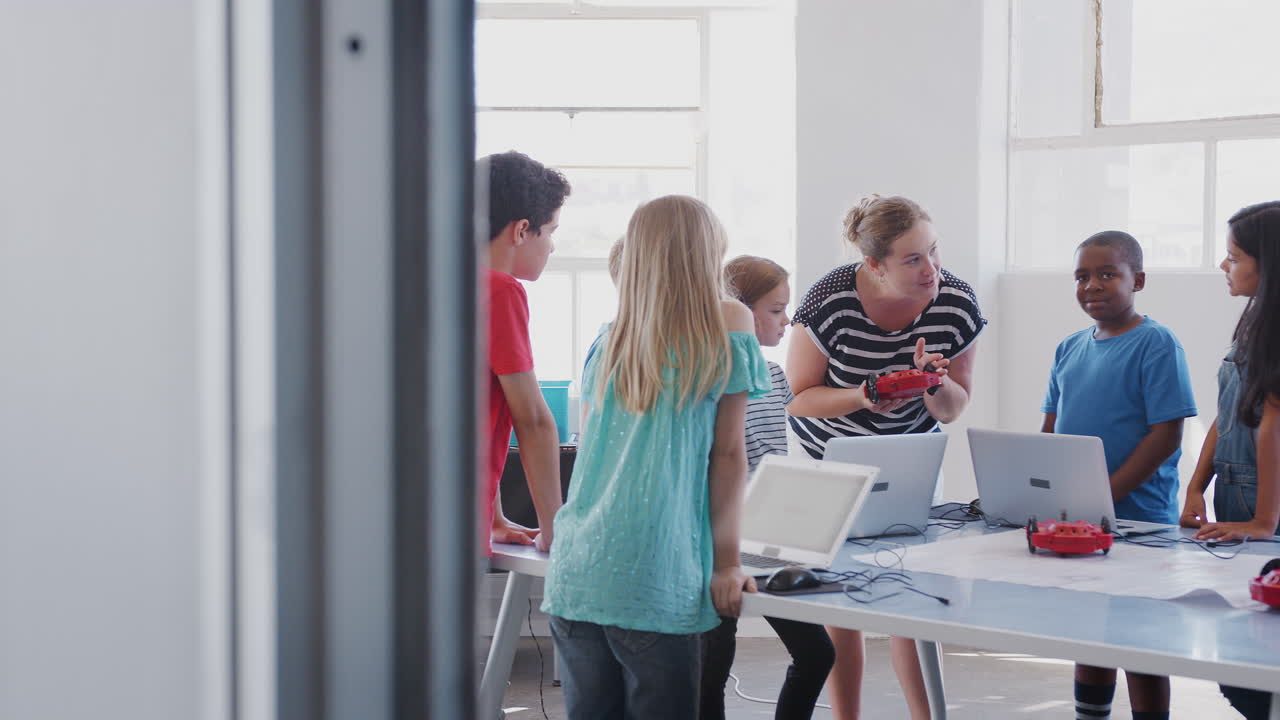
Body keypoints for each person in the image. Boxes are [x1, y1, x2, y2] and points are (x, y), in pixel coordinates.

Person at [542, 195, 770, 719]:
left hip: (578, 571)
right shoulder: (729, 319)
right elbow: (729, 454)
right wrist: (729, 564)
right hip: (653, 572)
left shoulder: (610, 338)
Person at [787, 194, 986, 720]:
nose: (932, 269)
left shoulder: (957, 303)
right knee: (841, 604)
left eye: (934, 252)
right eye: (913, 259)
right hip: (829, 457)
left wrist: (934, 385)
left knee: (913, 599)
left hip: (910, 458)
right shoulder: (829, 300)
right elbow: (800, 399)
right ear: (874, 265)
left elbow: (952, 410)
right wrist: (863, 393)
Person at [1042, 230, 1197, 720]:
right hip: (1080, 521)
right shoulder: (1068, 347)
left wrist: (1103, 497)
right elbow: (1050, 430)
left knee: (1138, 640)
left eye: (1108, 274)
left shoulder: (1157, 342)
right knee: (1089, 630)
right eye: (1082, 276)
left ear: (1139, 280)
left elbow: (1166, 436)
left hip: (1141, 521)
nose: (1092, 285)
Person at [700, 256, 836, 720]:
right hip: (717, 539)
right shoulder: (708, 375)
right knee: (712, 666)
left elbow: (769, 461)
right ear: (742, 310)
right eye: (777, 310)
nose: (788, 320)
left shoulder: (775, 377)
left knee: (817, 654)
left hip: (767, 537)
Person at [1180, 201, 1280, 720]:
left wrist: (1264, 521)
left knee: (1257, 672)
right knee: (1240, 666)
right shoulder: (1252, 323)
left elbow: (1272, 424)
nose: (1225, 266)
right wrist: (1197, 484)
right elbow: (1229, 411)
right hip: (1232, 493)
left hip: (1263, 504)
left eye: (1234, 256)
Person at [482, 150, 571, 554]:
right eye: (550, 231)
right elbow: (532, 419)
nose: (551, 246)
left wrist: (494, 518)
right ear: (521, 230)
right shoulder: (500, 290)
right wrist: (556, 528)